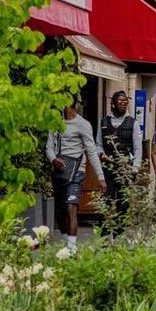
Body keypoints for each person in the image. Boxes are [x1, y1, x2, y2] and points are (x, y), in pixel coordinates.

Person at [46, 101, 104, 250]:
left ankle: (71, 248)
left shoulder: (83, 125)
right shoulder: (55, 123)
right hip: (60, 172)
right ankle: (68, 244)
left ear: (66, 104)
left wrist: (100, 176)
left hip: (77, 171)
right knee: (60, 212)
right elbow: (49, 147)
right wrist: (53, 159)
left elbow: (91, 151)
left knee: (71, 207)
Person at [96, 90, 141, 236]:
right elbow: (98, 143)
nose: (123, 105)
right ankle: (104, 232)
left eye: (125, 103)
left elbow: (138, 147)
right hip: (107, 167)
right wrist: (101, 153)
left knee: (123, 202)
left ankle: (118, 232)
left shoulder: (133, 123)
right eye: (120, 102)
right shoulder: (103, 122)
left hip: (126, 168)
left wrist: (135, 169)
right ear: (113, 104)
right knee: (107, 199)